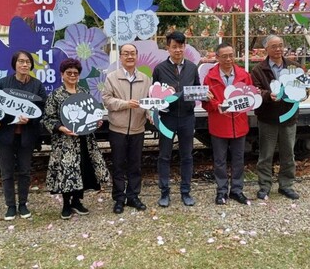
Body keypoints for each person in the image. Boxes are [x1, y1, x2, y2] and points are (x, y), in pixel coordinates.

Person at [42, 58, 110, 219]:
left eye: (75, 73)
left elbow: (92, 113)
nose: (72, 75)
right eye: (69, 73)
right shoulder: (56, 95)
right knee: (67, 171)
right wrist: (61, 128)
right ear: (62, 75)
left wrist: (96, 122)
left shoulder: (84, 93)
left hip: (84, 140)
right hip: (65, 142)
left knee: (82, 169)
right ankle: (66, 204)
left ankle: (77, 201)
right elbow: (48, 118)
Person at [0, 51, 47, 221]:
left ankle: (23, 204)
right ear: (14, 64)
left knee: (25, 171)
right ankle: (10, 206)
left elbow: (43, 108)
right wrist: (10, 118)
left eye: (28, 62)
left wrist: (31, 117)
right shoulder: (3, 83)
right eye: (21, 61)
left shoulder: (36, 85)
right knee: (6, 172)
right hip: (5, 134)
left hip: (27, 135)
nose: (24, 65)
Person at [152, 31, 201, 207]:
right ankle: (164, 193)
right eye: (174, 47)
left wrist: (204, 94)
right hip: (167, 118)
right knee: (164, 156)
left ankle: (185, 192)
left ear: (184, 47)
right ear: (168, 48)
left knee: (187, 156)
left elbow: (197, 89)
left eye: (181, 46)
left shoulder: (192, 68)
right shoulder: (159, 69)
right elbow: (155, 93)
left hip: (187, 117)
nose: (178, 50)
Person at [251, 35, 302, 200]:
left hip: (288, 117)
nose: (278, 49)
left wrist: (302, 94)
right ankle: (264, 186)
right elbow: (255, 90)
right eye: (274, 46)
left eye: (280, 45)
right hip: (268, 118)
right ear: (266, 49)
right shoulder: (258, 69)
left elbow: (303, 89)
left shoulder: (294, 67)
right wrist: (268, 95)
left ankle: (286, 185)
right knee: (266, 154)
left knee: (288, 154)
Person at [102, 44, 151, 214]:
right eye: (126, 54)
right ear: (121, 57)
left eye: (132, 53)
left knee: (135, 165)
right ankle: (119, 198)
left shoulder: (145, 79)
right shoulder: (112, 77)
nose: (130, 57)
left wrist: (152, 113)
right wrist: (125, 104)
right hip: (118, 129)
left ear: (137, 56)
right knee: (118, 165)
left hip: (138, 128)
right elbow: (107, 100)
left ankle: (133, 196)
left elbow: (148, 102)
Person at [202, 43, 251, 205]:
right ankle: (221, 191)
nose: (229, 59)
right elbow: (205, 104)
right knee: (220, 160)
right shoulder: (210, 77)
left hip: (239, 124)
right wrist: (216, 105)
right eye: (224, 56)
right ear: (217, 58)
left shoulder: (243, 75)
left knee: (238, 159)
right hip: (219, 125)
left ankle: (237, 190)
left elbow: (250, 98)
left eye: (231, 55)